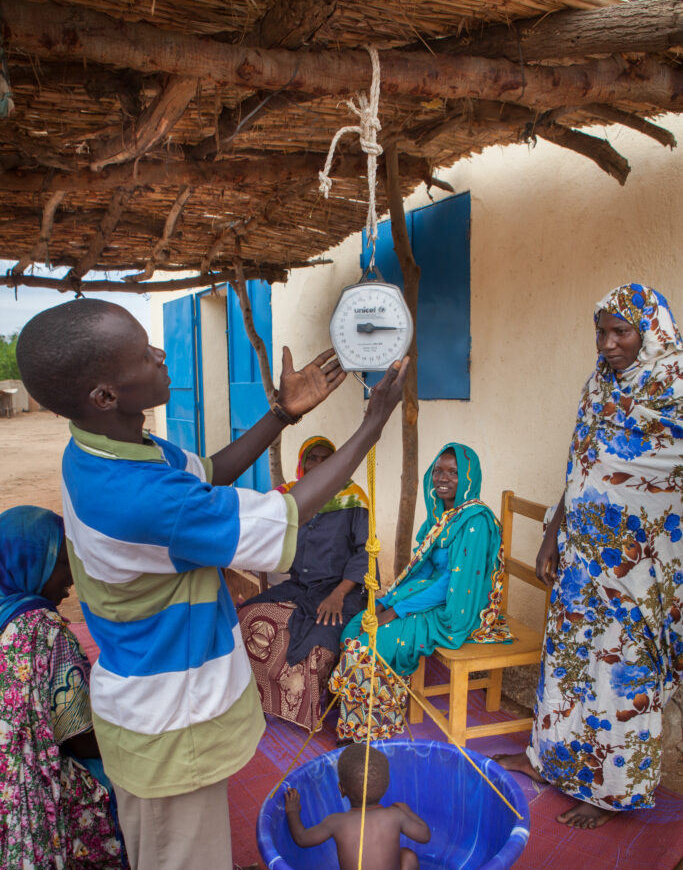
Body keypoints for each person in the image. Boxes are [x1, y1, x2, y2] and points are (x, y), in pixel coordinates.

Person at [15, 297, 408, 870]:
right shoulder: (134, 494)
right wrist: (372, 424)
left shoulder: (118, 446)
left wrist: (281, 417)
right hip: (169, 726)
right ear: (105, 393)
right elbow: (279, 518)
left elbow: (207, 477)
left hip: (176, 713)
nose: (161, 357)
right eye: (143, 355)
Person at [496, 284, 682, 829]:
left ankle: (609, 792)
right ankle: (551, 763)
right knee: (571, 667)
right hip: (581, 562)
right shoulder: (599, 384)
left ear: (648, 330)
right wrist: (552, 533)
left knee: (620, 677)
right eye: (600, 332)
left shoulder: (673, 385)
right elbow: (582, 466)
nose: (606, 344)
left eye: (619, 332)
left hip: (638, 571)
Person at [0, 506, 131, 870]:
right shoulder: (42, 631)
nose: (69, 582)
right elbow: (79, 739)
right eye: (61, 565)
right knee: (115, 792)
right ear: (34, 563)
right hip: (24, 788)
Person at [329, 442, 508, 741]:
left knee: (372, 644)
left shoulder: (476, 521)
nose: (443, 478)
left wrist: (395, 611)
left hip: (455, 607)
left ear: (468, 476)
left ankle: (368, 729)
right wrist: (387, 600)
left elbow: (451, 587)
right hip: (429, 596)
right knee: (356, 625)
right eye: (438, 471)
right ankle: (356, 713)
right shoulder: (440, 517)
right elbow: (422, 571)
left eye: (454, 472)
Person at [238, 436, 370, 730]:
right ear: (302, 463)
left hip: (341, 590)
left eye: (328, 459)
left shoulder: (354, 498)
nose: (320, 465)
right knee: (249, 618)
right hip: (300, 587)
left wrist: (338, 594)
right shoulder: (290, 498)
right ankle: (256, 700)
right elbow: (261, 530)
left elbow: (365, 552)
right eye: (314, 458)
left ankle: (306, 712)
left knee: (318, 644)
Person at [284, 743, 430, 870]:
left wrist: (292, 810)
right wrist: (406, 810)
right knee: (408, 856)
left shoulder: (335, 822)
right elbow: (425, 835)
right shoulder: (395, 815)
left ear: (341, 790)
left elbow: (301, 839)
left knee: (405, 855)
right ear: (386, 786)